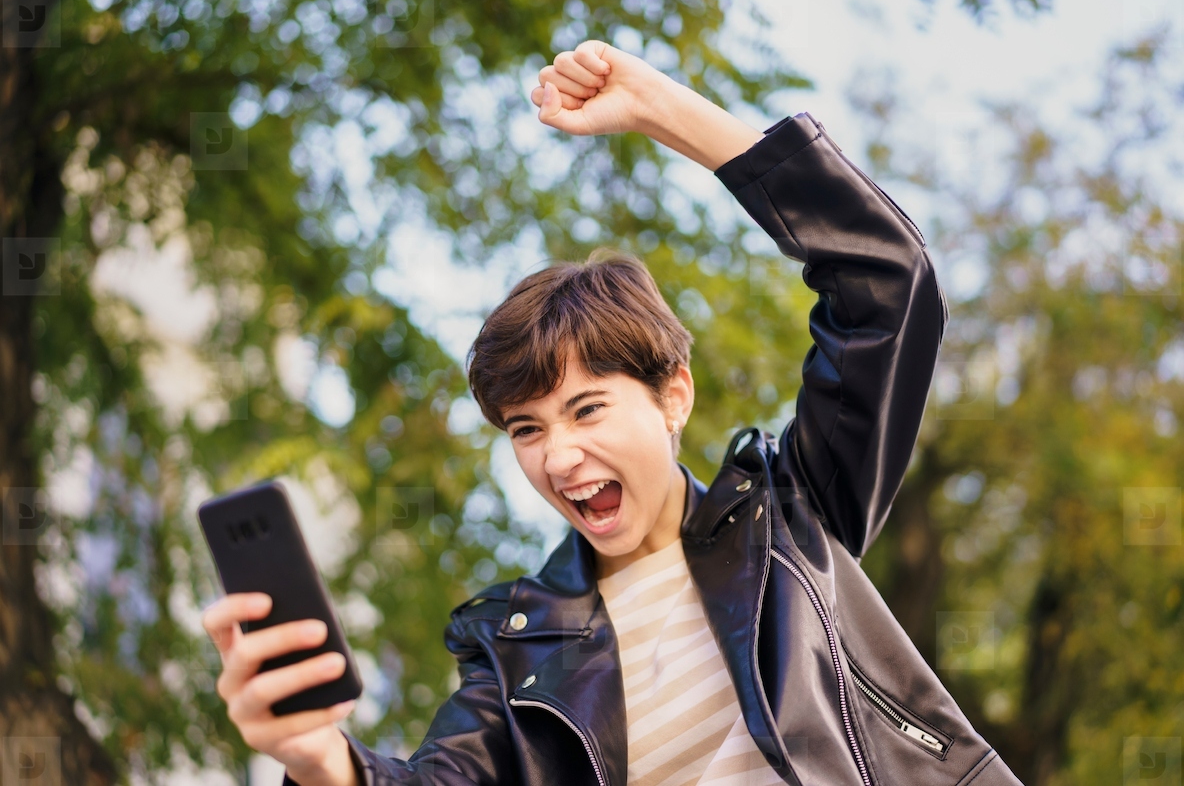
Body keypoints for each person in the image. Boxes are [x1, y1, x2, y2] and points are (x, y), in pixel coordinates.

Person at [202, 39, 1022, 786]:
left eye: (586, 408)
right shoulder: (517, 647)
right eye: (527, 428)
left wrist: (660, 110)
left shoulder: (791, 525)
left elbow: (886, 281)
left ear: (675, 395)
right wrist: (320, 760)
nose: (558, 456)